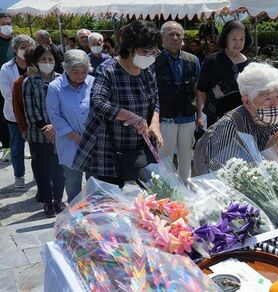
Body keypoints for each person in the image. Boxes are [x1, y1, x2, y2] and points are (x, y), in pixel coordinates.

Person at [73, 20, 162, 187]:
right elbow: (98, 102)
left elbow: (155, 98)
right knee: (111, 201)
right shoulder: (108, 69)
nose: (149, 56)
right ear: (129, 47)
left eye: (154, 52)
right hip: (110, 147)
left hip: (140, 145)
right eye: (145, 51)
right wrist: (130, 116)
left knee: (149, 196)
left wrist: (155, 123)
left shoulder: (148, 70)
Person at [197, 62, 278, 178]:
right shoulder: (231, 125)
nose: (276, 104)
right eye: (267, 98)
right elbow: (223, 175)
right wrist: (266, 157)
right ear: (247, 102)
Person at [154, 21, 200, 183]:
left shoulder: (193, 60)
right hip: (166, 117)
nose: (175, 38)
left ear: (183, 38)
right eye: (170, 34)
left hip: (188, 116)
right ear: (162, 38)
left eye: (178, 34)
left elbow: (198, 90)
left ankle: (185, 187)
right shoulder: (154, 61)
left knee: (186, 155)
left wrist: (200, 115)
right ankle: (166, 189)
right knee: (164, 156)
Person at [22, 44, 64, 217]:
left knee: (59, 170)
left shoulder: (62, 79)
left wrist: (56, 127)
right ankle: (47, 202)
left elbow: (65, 106)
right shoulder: (29, 82)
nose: (47, 62)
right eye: (43, 59)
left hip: (60, 134)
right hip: (38, 135)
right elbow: (30, 109)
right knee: (43, 170)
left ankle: (59, 200)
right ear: (36, 62)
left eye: (50, 59)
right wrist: (45, 128)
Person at [47, 50, 93, 203]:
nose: (80, 75)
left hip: (93, 143)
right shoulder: (55, 87)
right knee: (73, 185)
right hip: (69, 143)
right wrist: (75, 136)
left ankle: (95, 220)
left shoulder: (93, 82)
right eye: (75, 71)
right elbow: (55, 116)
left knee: (95, 185)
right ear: (66, 69)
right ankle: (75, 219)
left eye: (84, 71)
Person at [197, 20, 253, 126]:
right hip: (216, 118)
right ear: (225, 38)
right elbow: (201, 89)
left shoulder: (251, 64)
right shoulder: (212, 60)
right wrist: (211, 109)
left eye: (242, 39)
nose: (238, 43)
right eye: (234, 39)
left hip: (243, 118)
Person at [0, 35, 36, 188]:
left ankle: (38, 174)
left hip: (35, 116)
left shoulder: (35, 65)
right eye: (22, 47)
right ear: (15, 49)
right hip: (14, 115)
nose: (25, 50)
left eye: (28, 46)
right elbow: (6, 92)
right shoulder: (6, 68)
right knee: (17, 148)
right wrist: (23, 107)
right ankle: (19, 176)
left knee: (37, 149)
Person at [0, 12, 14, 161]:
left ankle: (19, 146)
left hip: (17, 86)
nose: (6, 26)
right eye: (3, 24)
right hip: (0, 87)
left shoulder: (17, 42)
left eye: (9, 23)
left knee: (19, 117)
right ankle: (6, 147)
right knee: (3, 118)